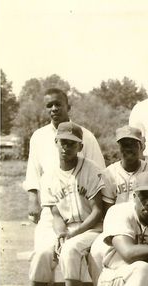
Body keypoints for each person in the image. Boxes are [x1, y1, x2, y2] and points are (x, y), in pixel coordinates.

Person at [12, 123, 105, 286]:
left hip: (91, 228)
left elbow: (98, 211)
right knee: (42, 253)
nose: (66, 147)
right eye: (63, 142)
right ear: (56, 142)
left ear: (80, 146)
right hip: (67, 228)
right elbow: (54, 214)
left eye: (72, 143)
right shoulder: (49, 176)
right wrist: (61, 234)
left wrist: (72, 235)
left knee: (70, 250)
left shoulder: (91, 170)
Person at [88, 126, 148, 286]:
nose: (127, 148)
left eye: (132, 143)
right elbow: (108, 210)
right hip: (119, 227)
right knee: (95, 251)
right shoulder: (109, 173)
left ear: (142, 146)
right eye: (123, 144)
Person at [24, 88, 105, 224]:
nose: (54, 108)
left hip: (81, 205)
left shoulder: (85, 136)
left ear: (68, 107)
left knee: (76, 243)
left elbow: (100, 172)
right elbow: (33, 172)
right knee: (44, 245)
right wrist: (33, 202)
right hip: (52, 205)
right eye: (49, 105)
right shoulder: (38, 136)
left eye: (58, 104)